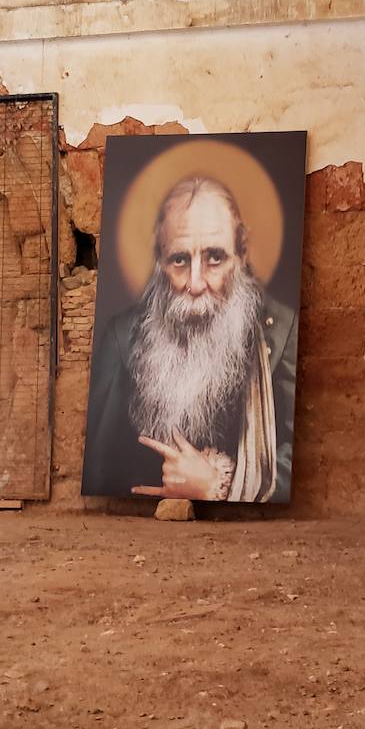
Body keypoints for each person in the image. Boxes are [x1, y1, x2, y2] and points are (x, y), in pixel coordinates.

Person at [82, 177, 296, 502]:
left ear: (241, 253)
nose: (195, 284)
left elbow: (295, 457)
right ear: (160, 262)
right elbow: (100, 470)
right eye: (180, 260)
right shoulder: (122, 338)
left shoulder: (281, 331)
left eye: (214, 258)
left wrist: (217, 485)